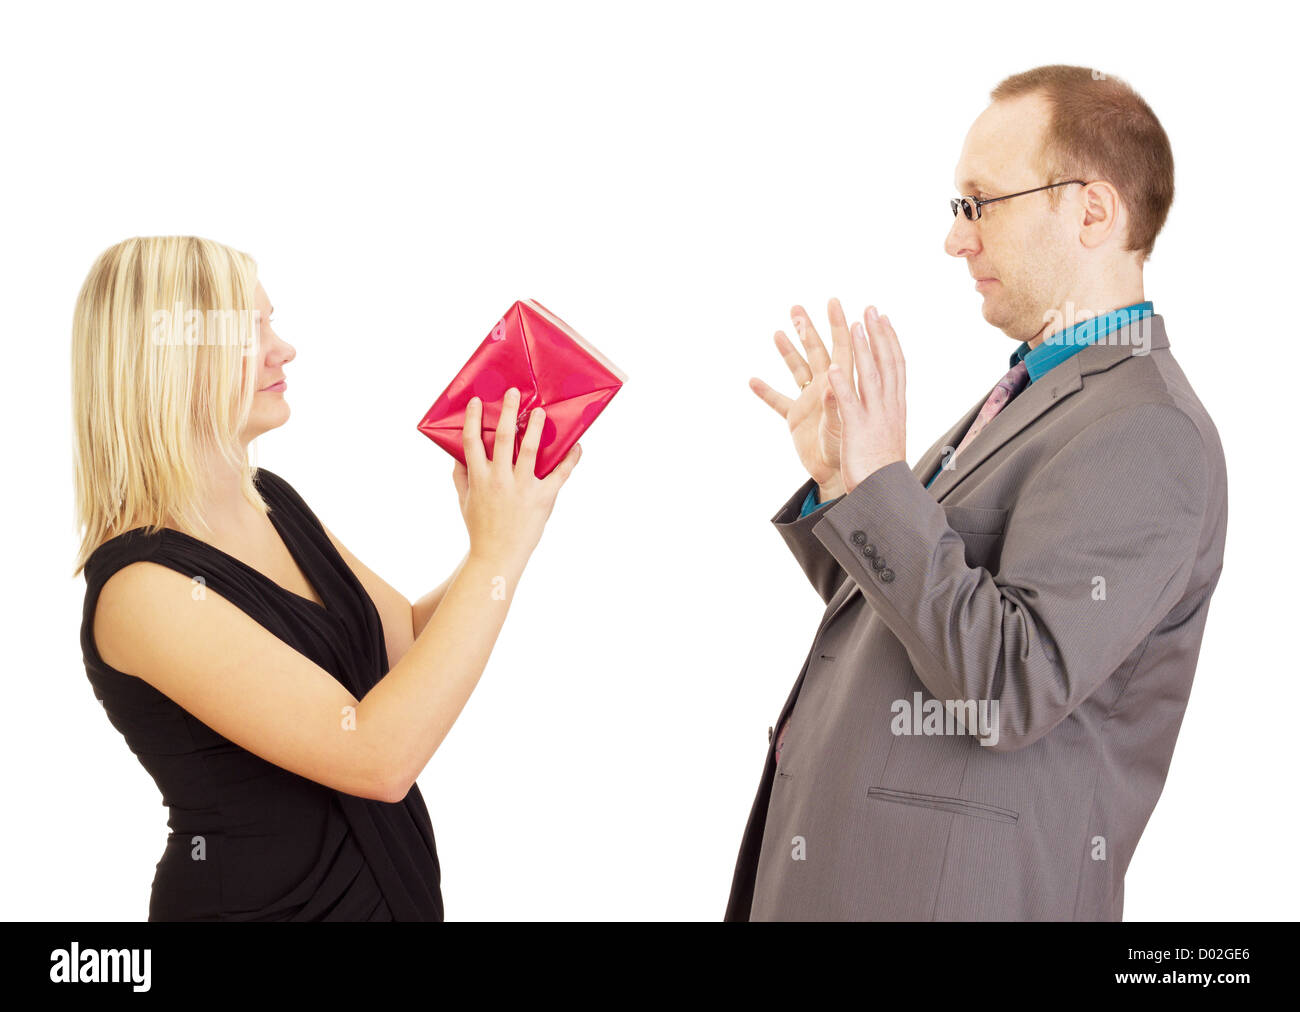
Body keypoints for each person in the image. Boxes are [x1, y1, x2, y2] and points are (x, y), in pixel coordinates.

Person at [733, 65, 1228, 920]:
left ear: (1092, 211)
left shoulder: (1149, 429)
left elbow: (1010, 683)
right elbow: (903, 619)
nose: (956, 240)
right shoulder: (1034, 392)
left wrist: (884, 484)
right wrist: (848, 484)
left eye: (981, 203)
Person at [72, 236, 580, 920]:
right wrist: (495, 554)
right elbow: (377, 758)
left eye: (271, 324)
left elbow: (406, 647)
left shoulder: (271, 502)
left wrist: (505, 531)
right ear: (169, 360)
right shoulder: (143, 590)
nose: (282, 350)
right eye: (251, 332)